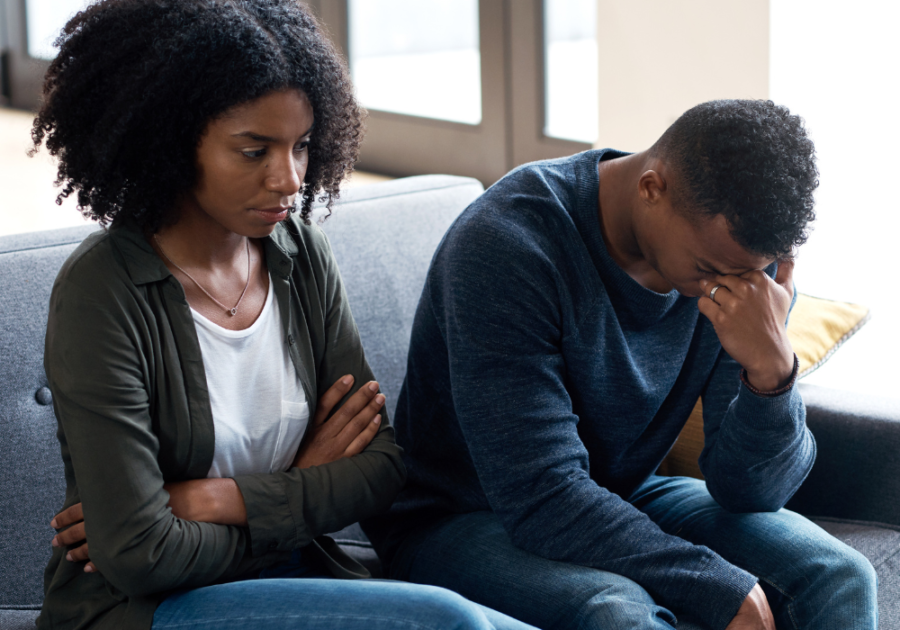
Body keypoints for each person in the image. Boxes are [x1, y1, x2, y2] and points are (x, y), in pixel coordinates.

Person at [33, 2, 537, 629]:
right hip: (145, 610)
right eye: (254, 151)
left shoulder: (298, 253)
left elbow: (378, 469)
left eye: (301, 147)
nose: (290, 179)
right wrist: (298, 489)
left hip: (295, 575)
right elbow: (141, 554)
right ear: (168, 140)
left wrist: (216, 499)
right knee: (445, 620)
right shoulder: (102, 292)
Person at [363, 100, 878, 630]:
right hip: (461, 516)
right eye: (706, 269)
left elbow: (750, 492)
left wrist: (771, 371)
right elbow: (542, 496)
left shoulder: (741, 265)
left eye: (747, 274)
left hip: (621, 490)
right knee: (616, 609)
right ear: (652, 189)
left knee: (839, 574)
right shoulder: (509, 246)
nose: (722, 288)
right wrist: (716, 585)